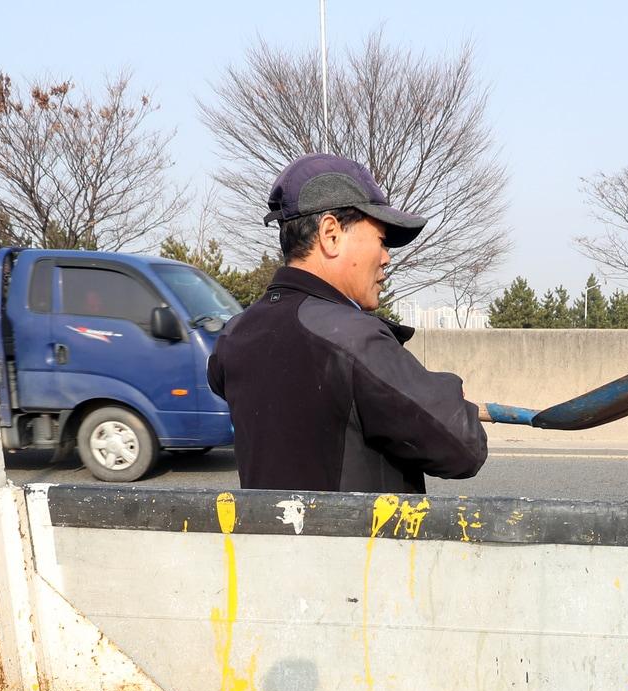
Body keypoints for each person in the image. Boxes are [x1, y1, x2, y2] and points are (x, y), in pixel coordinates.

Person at [208, 153, 487, 493]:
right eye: (382, 241)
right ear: (331, 234)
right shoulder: (355, 339)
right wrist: (443, 390)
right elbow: (463, 447)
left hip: (270, 543)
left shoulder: (235, 335)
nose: (386, 259)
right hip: (359, 545)